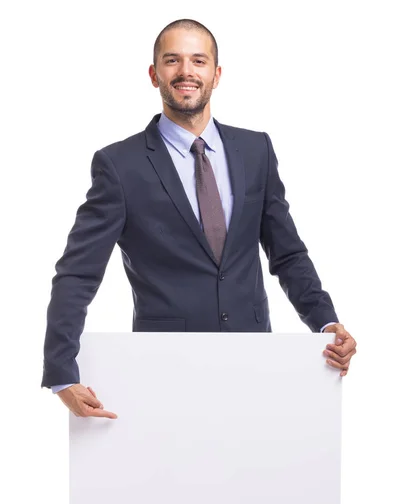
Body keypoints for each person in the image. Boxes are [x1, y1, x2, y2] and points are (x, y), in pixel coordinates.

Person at [41, 18, 357, 419]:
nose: (186, 71)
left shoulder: (256, 150)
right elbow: (78, 273)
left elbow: (288, 254)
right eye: (172, 61)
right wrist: (61, 373)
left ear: (217, 74)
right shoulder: (119, 165)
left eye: (198, 61)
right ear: (154, 75)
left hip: (255, 360)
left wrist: (326, 324)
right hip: (164, 368)